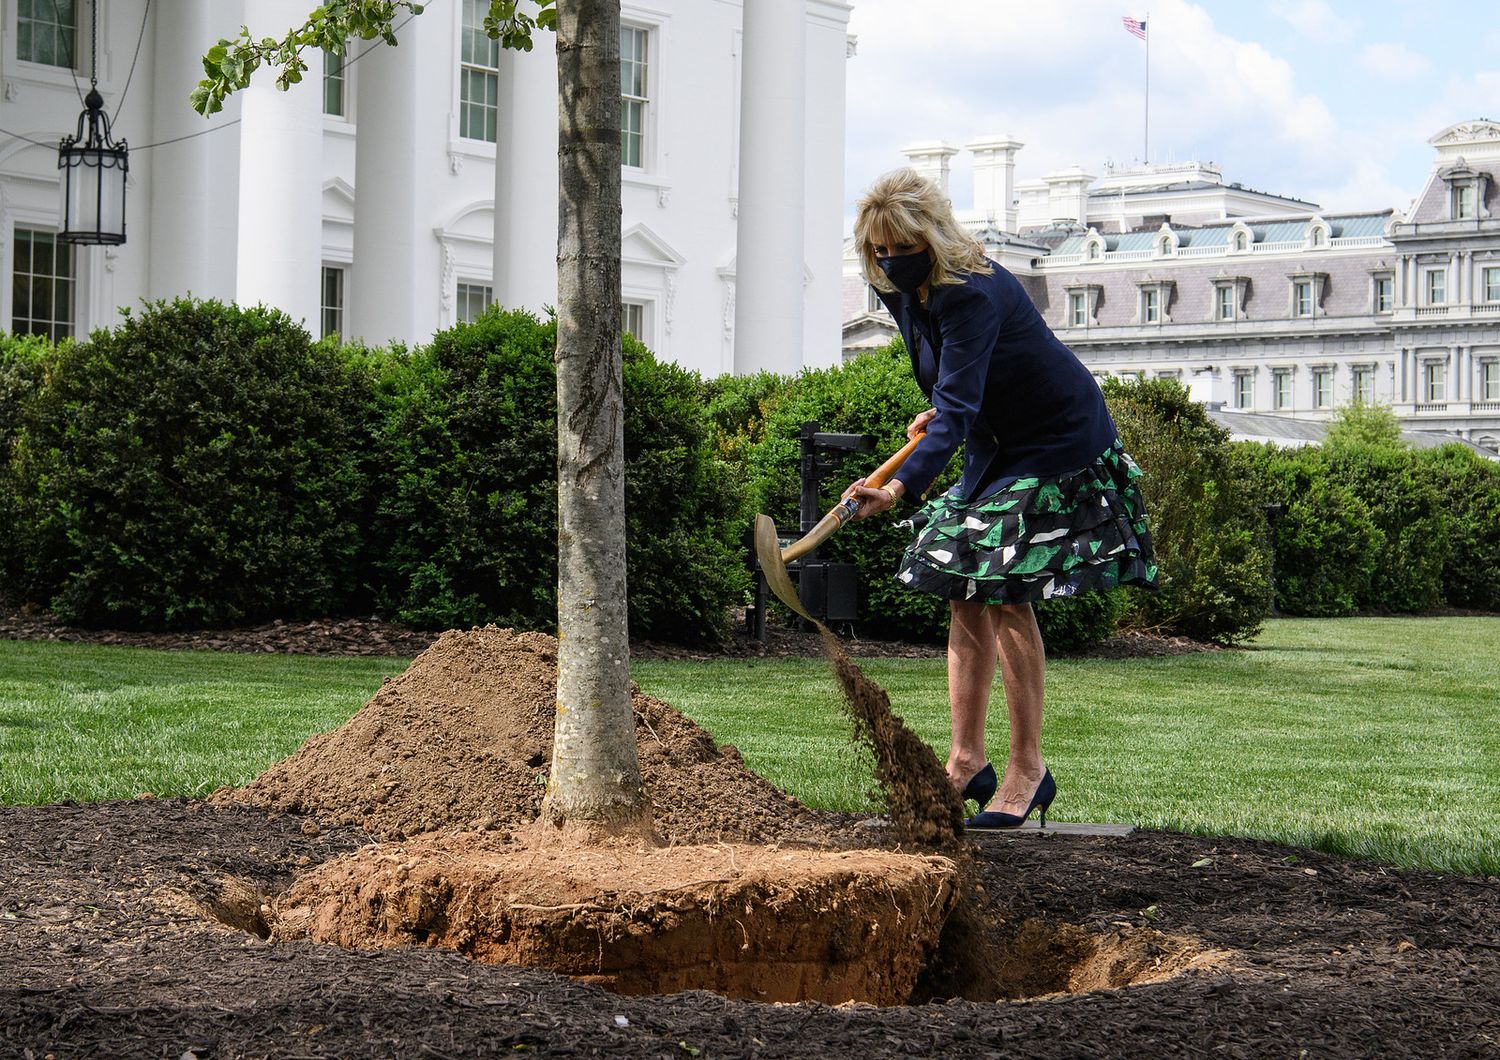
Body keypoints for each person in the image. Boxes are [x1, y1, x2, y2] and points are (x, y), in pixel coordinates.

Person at [843, 167, 1158, 829]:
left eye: (904, 248)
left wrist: (898, 485)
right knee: (963, 584)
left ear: (932, 235)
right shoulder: (905, 294)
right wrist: (937, 414)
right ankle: (965, 761)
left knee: (1007, 590)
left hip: (1055, 438)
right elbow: (954, 390)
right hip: (997, 441)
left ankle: (1027, 769)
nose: (892, 262)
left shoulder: (973, 292)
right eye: (880, 251)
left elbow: (958, 400)